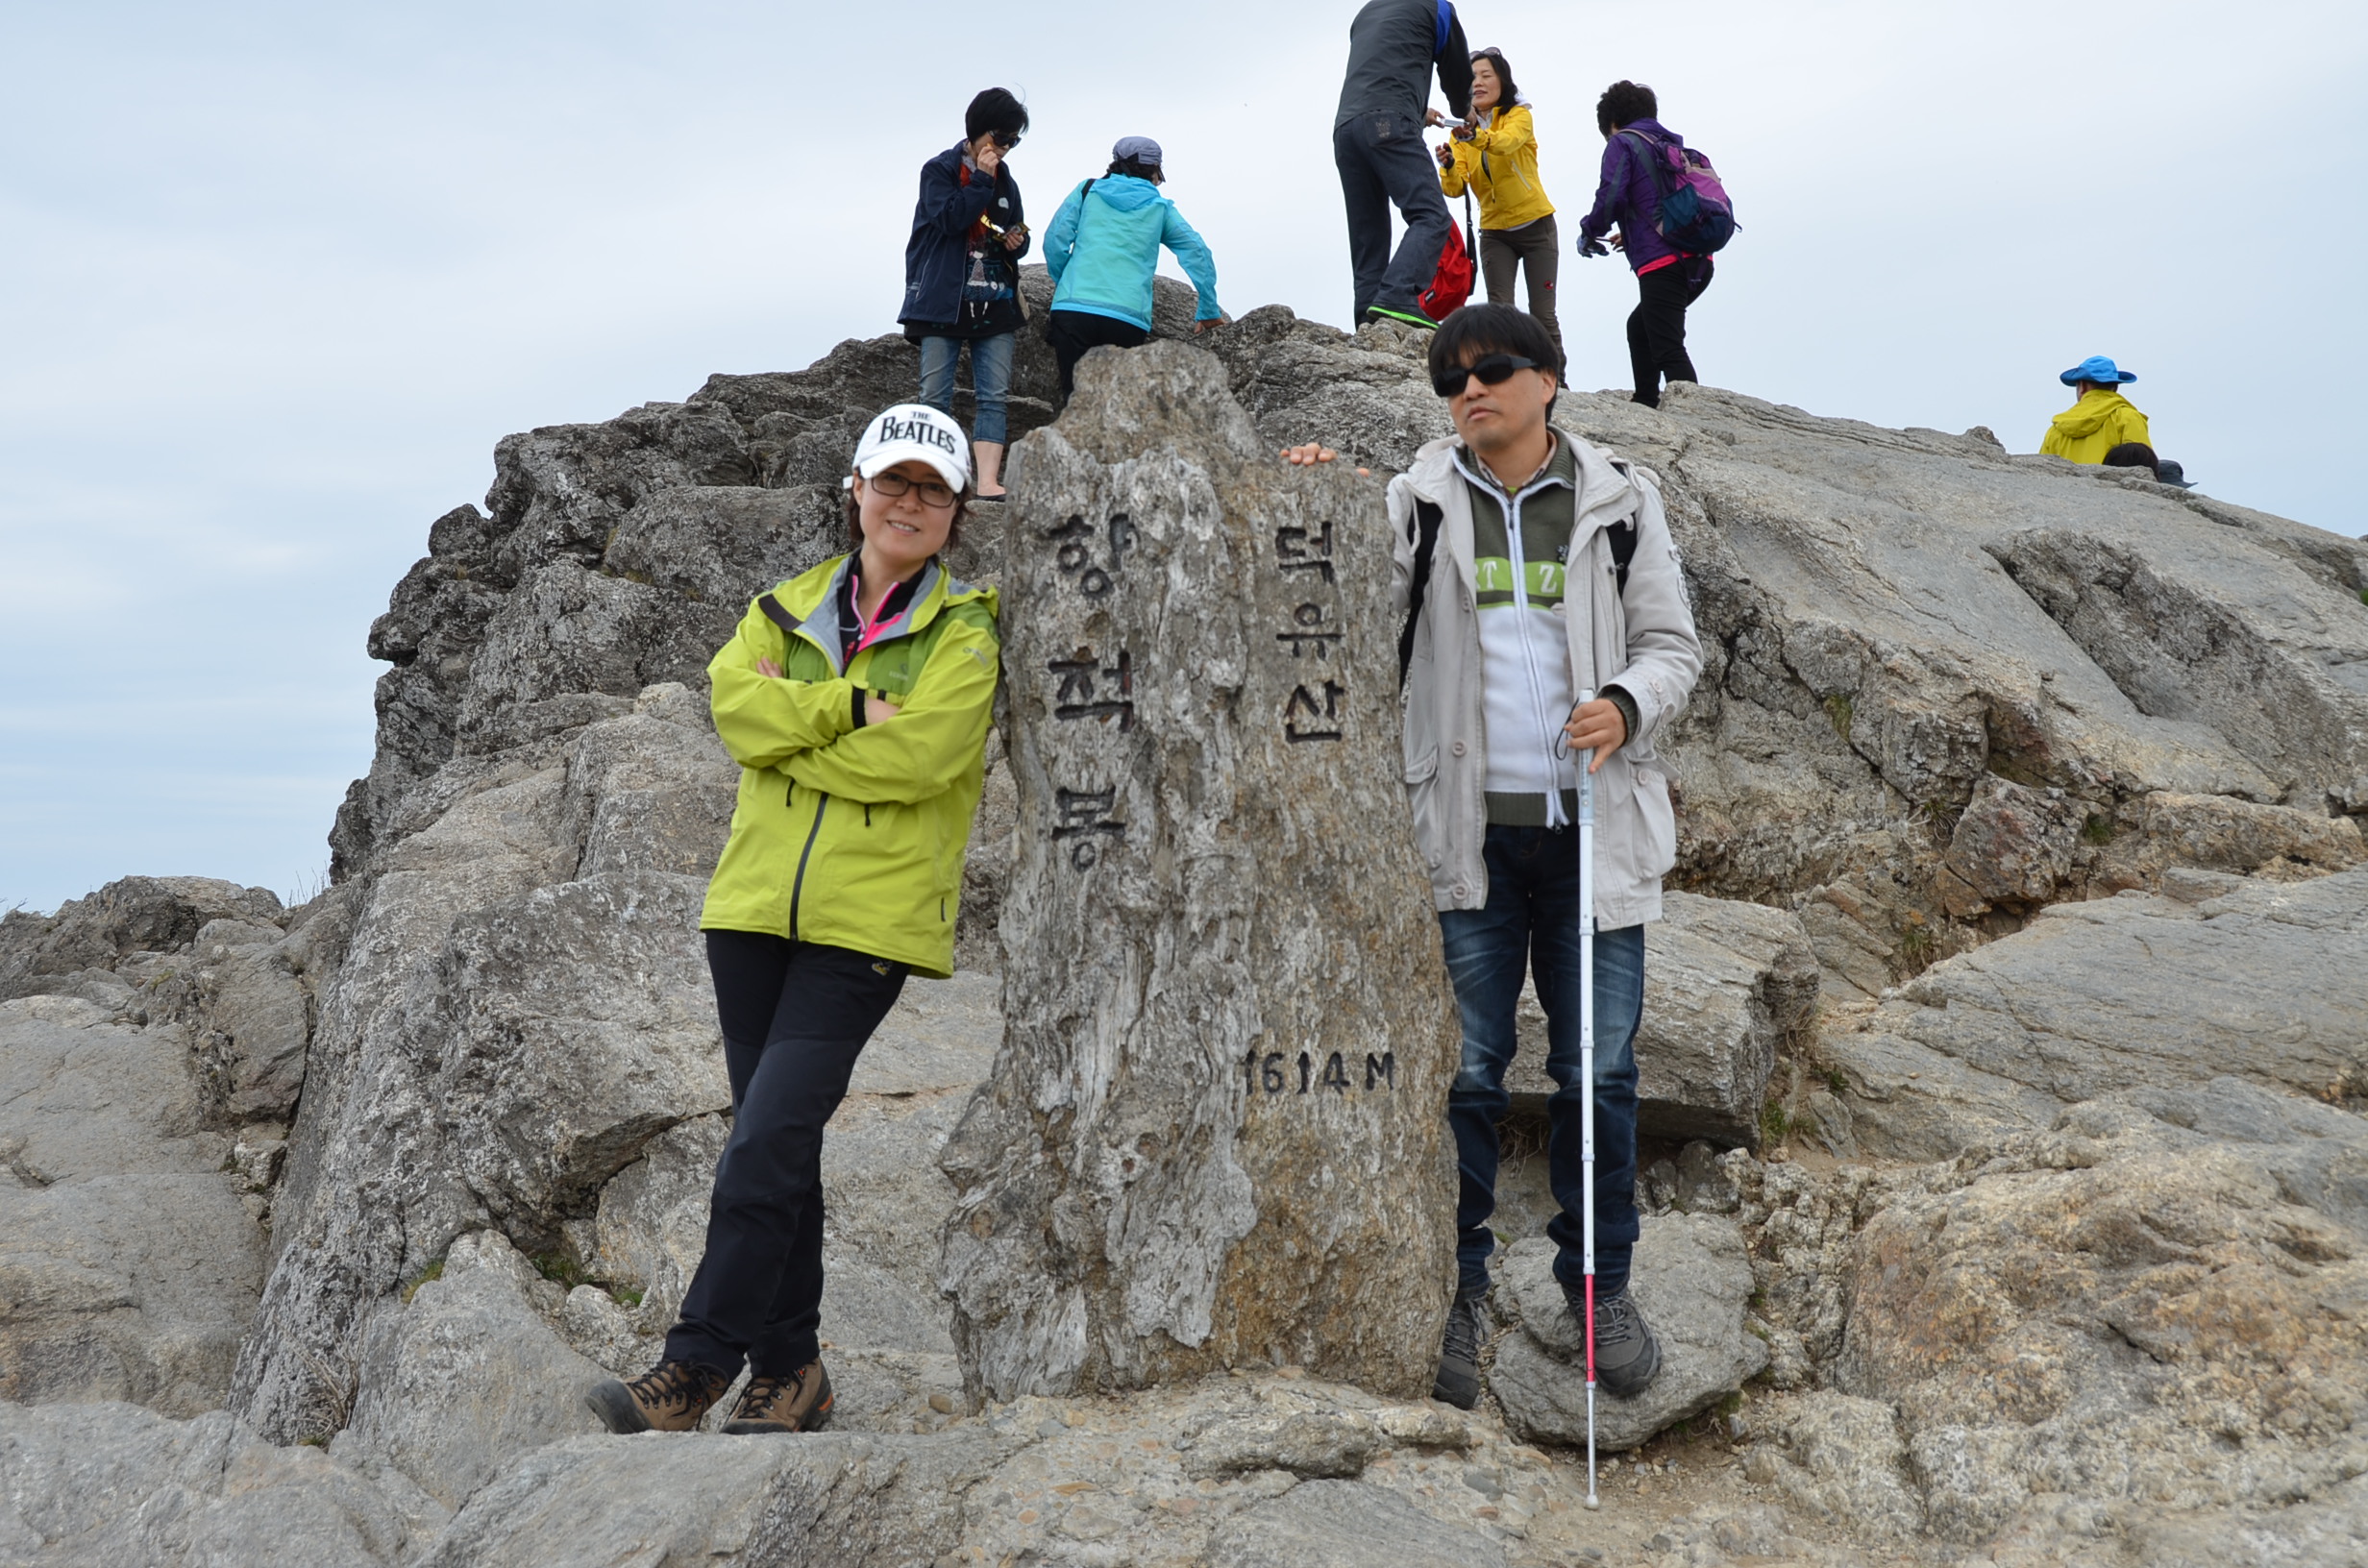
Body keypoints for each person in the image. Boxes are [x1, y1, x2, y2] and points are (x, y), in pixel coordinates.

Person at [1282, 302, 1703, 1410]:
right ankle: (1455, 1290)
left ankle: (1596, 1288)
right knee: (1463, 1078)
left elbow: (1674, 650)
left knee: (1598, 1077)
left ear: (1551, 378)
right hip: (1463, 838)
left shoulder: (1621, 501)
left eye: (1494, 369)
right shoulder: (1413, 502)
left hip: (1593, 837)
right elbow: (1337, 619)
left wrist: (1624, 701)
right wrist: (1315, 496)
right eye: (1450, 377)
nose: (1471, 389)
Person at [587, 403, 1000, 1438]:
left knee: (765, 1141)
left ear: (954, 513)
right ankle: (794, 1368)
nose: (909, 503)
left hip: (867, 927)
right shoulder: (780, 609)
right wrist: (852, 707)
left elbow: (924, 759)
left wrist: (798, 723)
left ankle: (695, 1365)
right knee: (780, 1150)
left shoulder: (965, 630)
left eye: (932, 490)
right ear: (853, 489)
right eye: (893, 482)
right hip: (752, 912)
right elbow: (736, 713)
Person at [900, 89, 1032, 501]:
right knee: (934, 396)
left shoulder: (1006, 179)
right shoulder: (938, 170)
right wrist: (981, 180)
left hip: (994, 300)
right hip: (942, 299)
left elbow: (1018, 226)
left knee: (994, 396)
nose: (1005, 147)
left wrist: (1017, 241)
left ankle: (988, 482)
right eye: (999, 136)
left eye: (1013, 140)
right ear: (976, 132)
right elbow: (951, 219)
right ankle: (933, 477)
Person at [1042, 136, 1226, 404]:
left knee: (1075, 402)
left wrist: (1064, 281)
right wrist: (1208, 309)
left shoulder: (1088, 190)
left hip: (1074, 311)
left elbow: (1055, 240)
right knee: (1117, 408)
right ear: (1154, 170)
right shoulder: (1160, 208)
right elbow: (1198, 253)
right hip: (1126, 319)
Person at [1334, 0, 1474, 330]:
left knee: (1369, 232)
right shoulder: (1438, 7)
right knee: (1431, 216)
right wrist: (1464, 109)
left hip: (1346, 129)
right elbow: (1456, 74)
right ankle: (1397, 294)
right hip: (1389, 122)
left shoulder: (1367, 11)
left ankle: (1367, 318)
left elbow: (1384, 64)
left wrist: (1417, 109)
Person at [1574, 80, 1712, 409]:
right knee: (1641, 327)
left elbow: (1611, 195)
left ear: (1612, 123)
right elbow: (1658, 200)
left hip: (1663, 262)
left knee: (1666, 344)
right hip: (1697, 257)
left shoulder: (1622, 143)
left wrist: (1589, 230)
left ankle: (1697, 417)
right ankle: (1646, 401)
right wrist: (1633, 232)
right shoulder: (1665, 143)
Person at [1432, 46, 1559, 348]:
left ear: (1502, 81)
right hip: (1494, 233)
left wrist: (1476, 136)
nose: (1478, 82)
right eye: (1472, 77)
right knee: (1500, 313)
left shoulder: (1519, 115)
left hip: (1536, 227)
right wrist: (1448, 166)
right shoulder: (1459, 134)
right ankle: (1508, 375)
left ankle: (1557, 380)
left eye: (1486, 75)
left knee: (1543, 315)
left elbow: (1505, 143)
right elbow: (1454, 188)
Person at [2041, 356, 2152, 464]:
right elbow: (2143, 466)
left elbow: (2041, 472)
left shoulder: (2056, 430)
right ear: (2116, 387)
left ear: (2082, 386)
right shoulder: (2128, 418)